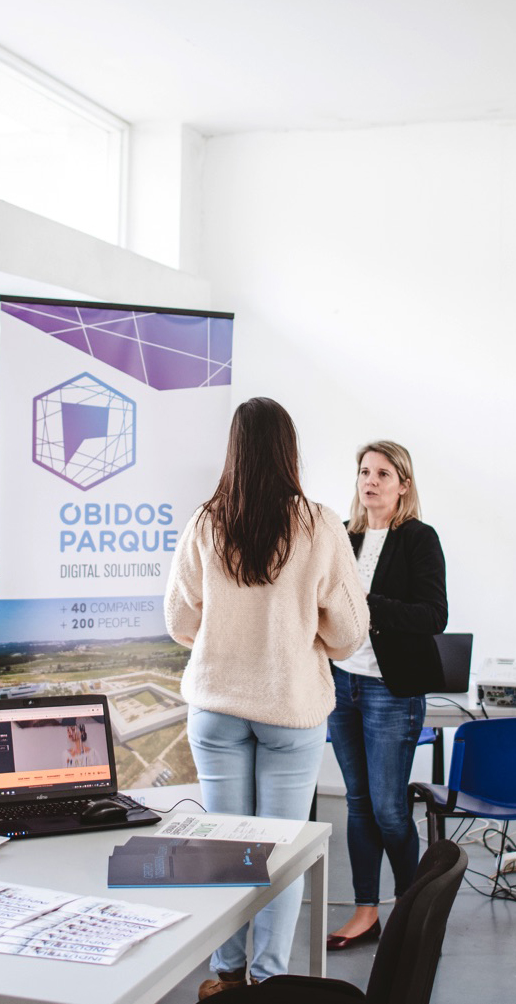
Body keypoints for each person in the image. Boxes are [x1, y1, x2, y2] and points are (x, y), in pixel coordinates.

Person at [165, 398, 369, 994]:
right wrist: (307, 636)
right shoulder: (319, 524)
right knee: (282, 851)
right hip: (289, 708)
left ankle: (225, 975)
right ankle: (269, 981)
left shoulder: (205, 522)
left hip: (216, 706)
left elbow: (179, 620)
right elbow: (350, 631)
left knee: (228, 848)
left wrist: (224, 636)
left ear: (234, 450)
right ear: (288, 450)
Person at [325, 441, 448, 951]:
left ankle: (412, 912)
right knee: (357, 804)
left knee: (390, 811)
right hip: (341, 685)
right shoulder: (342, 536)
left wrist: (367, 603)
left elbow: (433, 616)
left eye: (382, 473)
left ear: (403, 485)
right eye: (364, 472)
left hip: (390, 692)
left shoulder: (418, 538)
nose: (370, 481)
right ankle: (366, 912)